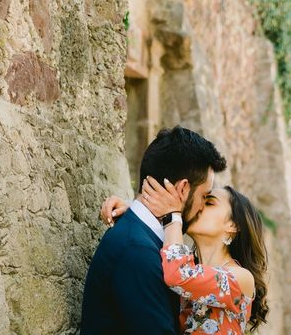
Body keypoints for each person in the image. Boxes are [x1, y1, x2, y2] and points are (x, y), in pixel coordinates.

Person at [79, 126, 227, 334]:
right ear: (183, 189)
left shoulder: (141, 236)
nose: (203, 207)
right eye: (204, 196)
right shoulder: (137, 251)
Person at [140, 176, 270, 334]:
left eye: (209, 202)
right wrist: (134, 214)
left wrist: (172, 215)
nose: (199, 206)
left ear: (233, 225)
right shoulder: (183, 262)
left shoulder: (242, 278)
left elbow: (179, 275)